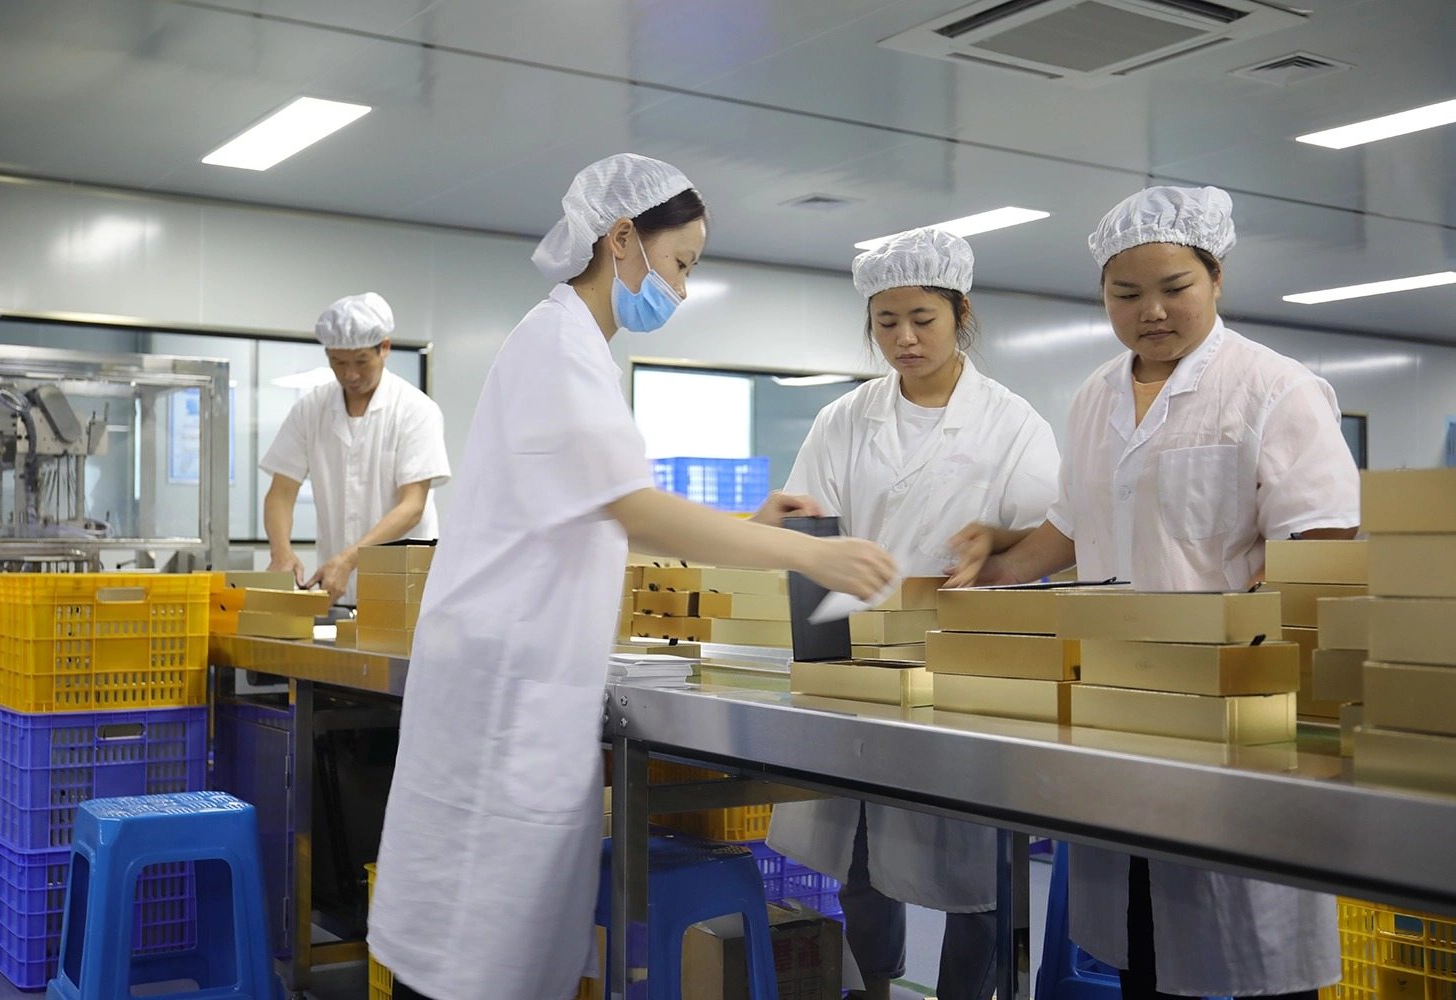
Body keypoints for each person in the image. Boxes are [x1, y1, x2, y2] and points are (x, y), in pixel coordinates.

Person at [367, 153, 898, 1000]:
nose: (681, 290)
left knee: (485, 938)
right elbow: (631, 507)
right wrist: (807, 554)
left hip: (519, 681)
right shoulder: (557, 347)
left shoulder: (572, 346)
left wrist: (749, 528)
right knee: (474, 944)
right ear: (621, 239)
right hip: (505, 691)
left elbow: (598, 513)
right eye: (680, 264)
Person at [950, 186, 1359, 1000]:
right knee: (1140, 933)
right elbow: (1072, 525)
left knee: (1250, 937)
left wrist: (1232, 631)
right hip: (1119, 703)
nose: (1153, 312)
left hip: (1233, 708)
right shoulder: (1094, 396)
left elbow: (1322, 540)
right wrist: (993, 567)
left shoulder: (1274, 388)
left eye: (1175, 287)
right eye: (1125, 293)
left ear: (1217, 277)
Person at [763, 227, 1060, 1000]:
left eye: (922, 319)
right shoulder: (845, 418)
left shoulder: (1013, 423)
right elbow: (809, 527)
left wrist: (997, 544)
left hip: (966, 668)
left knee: (976, 868)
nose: (903, 338)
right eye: (885, 321)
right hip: (858, 663)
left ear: (962, 313)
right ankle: (875, 987)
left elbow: (1050, 540)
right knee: (860, 854)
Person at [260, 292, 451, 604]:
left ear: (384, 348)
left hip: (403, 588)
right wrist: (281, 553)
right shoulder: (311, 409)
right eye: (338, 362)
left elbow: (412, 506)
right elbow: (281, 493)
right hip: (338, 589)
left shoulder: (416, 410)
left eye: (361, 361)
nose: (350, 374)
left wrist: (348, 560)